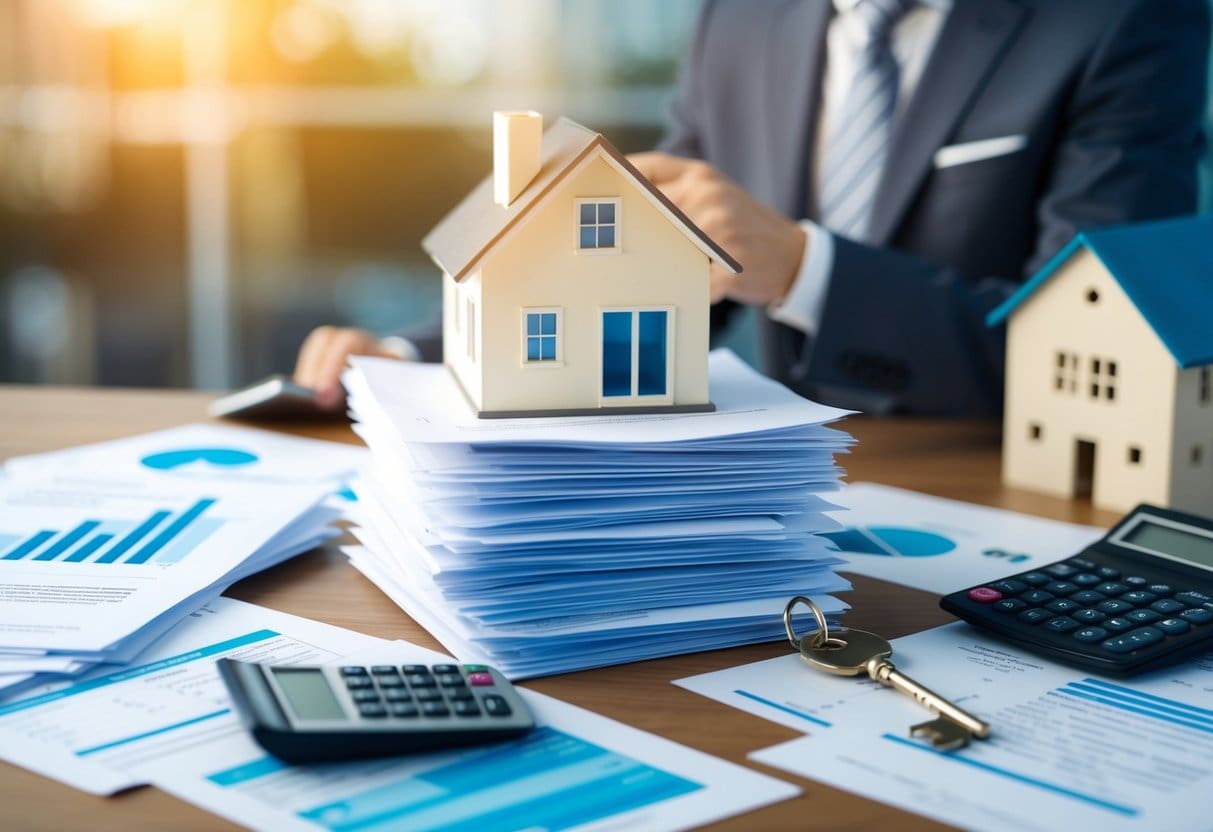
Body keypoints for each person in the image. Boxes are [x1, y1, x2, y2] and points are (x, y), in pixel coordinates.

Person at [295, 0, 1210, 416]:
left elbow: (1103, 347)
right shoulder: (742, 17)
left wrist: (806, 268)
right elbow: (663, 258)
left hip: (998, 489)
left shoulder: (1123, 20)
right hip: (771, 487)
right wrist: (421, 352)